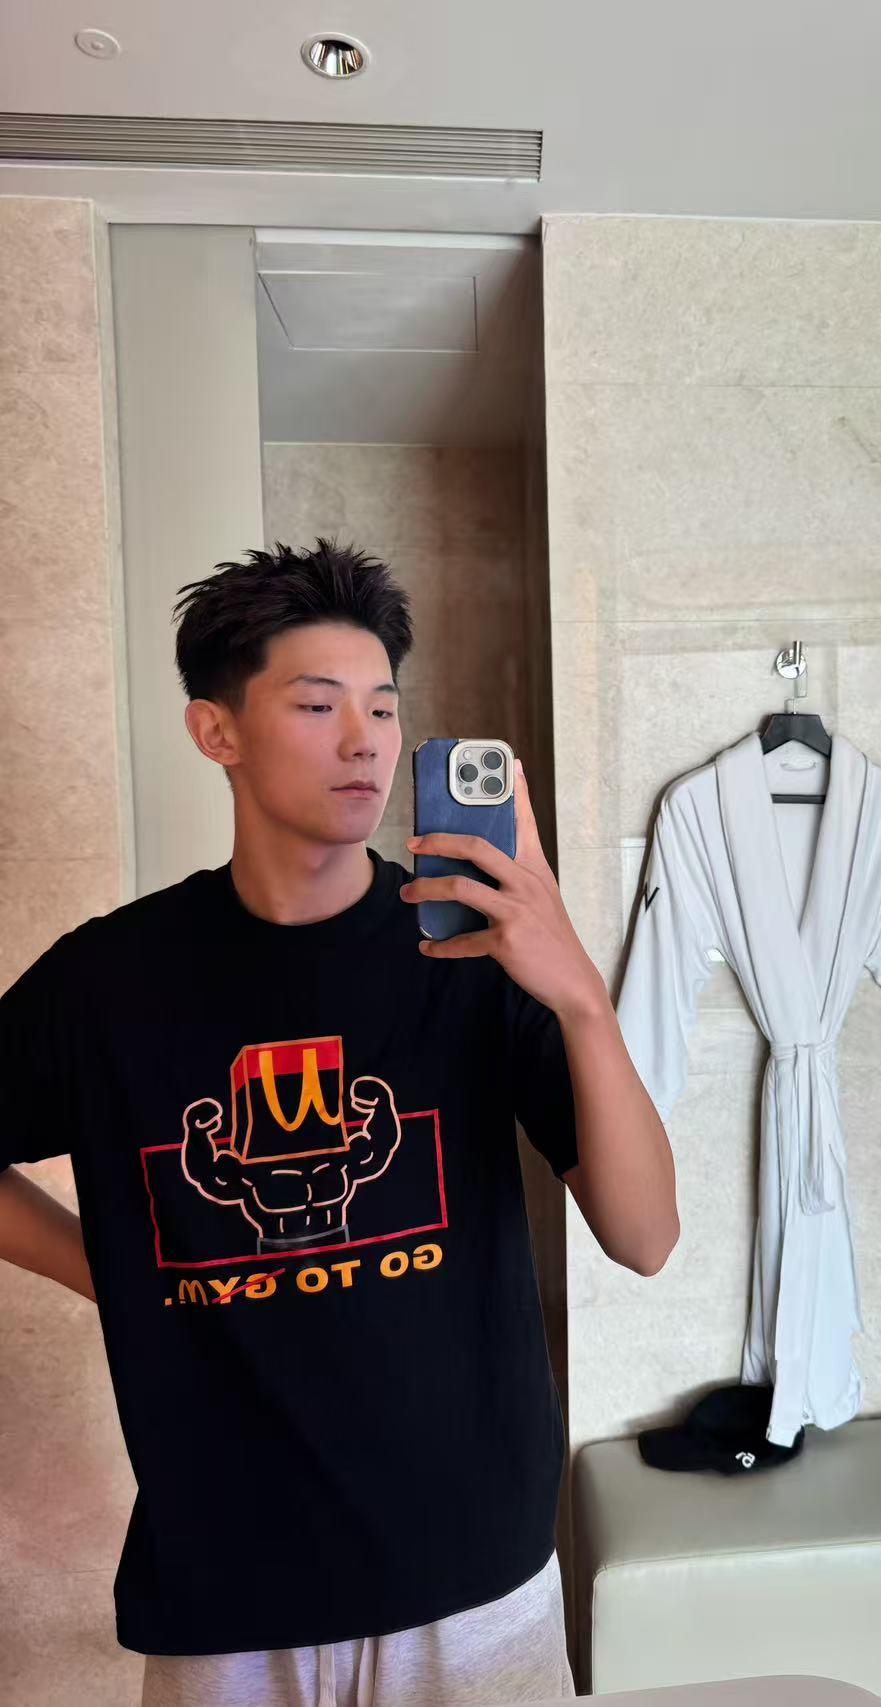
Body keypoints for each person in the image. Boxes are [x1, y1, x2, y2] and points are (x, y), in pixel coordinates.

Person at [0, 538, 680, 1707]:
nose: (364, 739)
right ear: (216, 730)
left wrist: (577, 993)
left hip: (473, 1576)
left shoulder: (475, 957)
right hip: (227, 1587)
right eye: (317, 706)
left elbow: (646, 1235)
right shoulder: (107, 982)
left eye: (382, 705)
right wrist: (111, 1268)